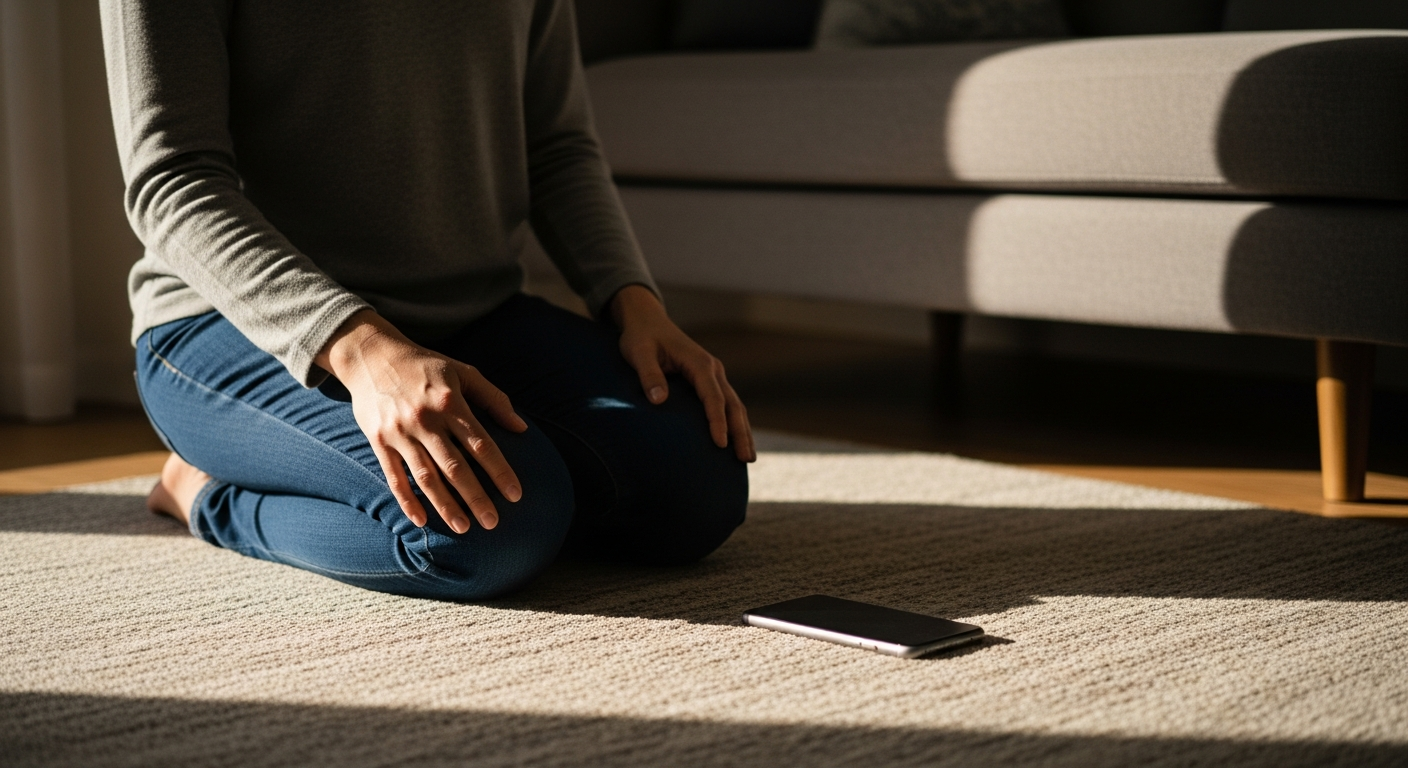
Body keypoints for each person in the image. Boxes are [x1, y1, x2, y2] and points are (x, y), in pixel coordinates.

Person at [101, 0, 754, 601]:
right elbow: (173, 180)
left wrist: (634, 302)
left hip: (472, 312)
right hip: (238, 327)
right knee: (488, 532)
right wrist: (362, 351)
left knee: (696, 491)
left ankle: (526, 488)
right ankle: (204, 495)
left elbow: (556, 145)